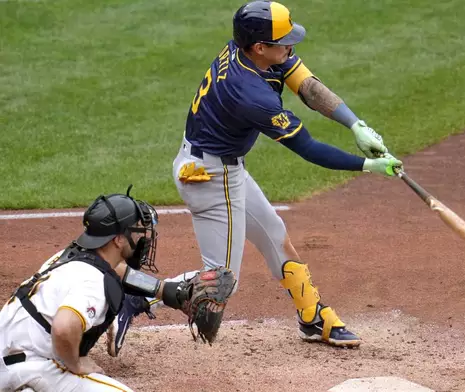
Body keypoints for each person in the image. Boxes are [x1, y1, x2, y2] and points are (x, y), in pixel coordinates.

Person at [110, 0, 404, 352]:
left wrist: (355, 123)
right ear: (260, 46)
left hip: (218, 166)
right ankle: (136, 297)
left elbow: (308, 86)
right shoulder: (250, 93)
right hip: (212, 177)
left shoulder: (253, 50)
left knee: (274, 234)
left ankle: (312, 316)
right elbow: (308, 148)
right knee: (221, 282)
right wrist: (367, 166)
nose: (291, 47)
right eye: (284, 42)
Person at [0, 189, 233, 391]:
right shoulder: (94, 282)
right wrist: (76, 364)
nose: (143, 236)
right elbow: (63, 328)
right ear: (119, 240)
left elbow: (118, 271)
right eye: (138, 230)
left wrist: (167, 291)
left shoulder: (68, 257)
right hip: (34, 368)